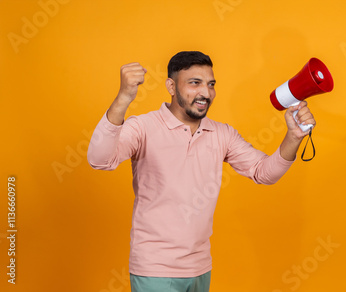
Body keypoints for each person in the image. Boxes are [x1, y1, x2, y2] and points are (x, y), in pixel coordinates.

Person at [87, 51, 316, 292]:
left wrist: (293, 136)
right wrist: (124, 97)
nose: (205, 93)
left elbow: (264, 173)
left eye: (211, 84)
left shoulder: (222, 134)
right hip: (155, 268)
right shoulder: (143, 127)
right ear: (171, 86)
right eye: (195, 83)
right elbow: (99, 159)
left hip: (200, 267)